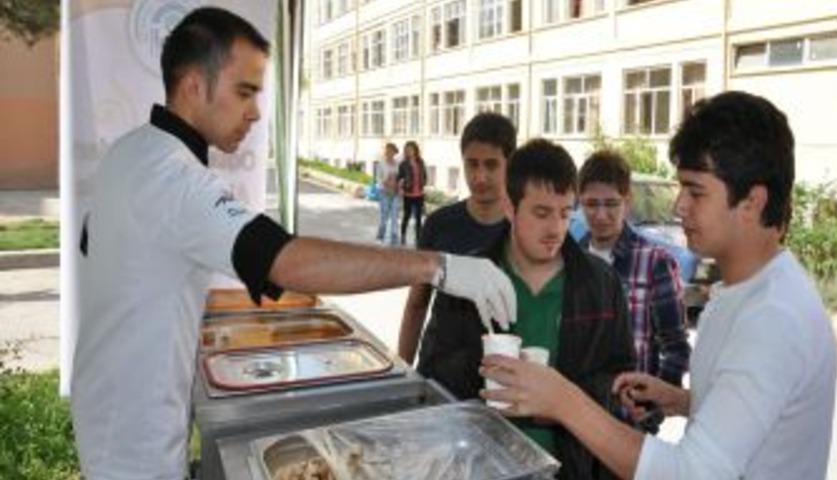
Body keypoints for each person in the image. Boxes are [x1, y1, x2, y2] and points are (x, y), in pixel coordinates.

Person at [71, 8, 516, 480]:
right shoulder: (173, 177)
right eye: (244, 92)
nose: (256, 111)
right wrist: (438, 266)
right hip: (136, 441)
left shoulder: (130, 152)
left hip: (109, 412)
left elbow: (105, 250)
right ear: (194, 86)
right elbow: (288, 262)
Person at [481, 91, 837, 480]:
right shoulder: (740, 292)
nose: (678, 206)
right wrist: (686, 401)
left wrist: (563, 400)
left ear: (752, 201)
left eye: (695, 191)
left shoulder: (773, 318)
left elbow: (691, 472)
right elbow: (757, 417)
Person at [418, 138, 635, 479]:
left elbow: (621, 378)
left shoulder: (601, 284)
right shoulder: (470, 279)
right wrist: (484, 377)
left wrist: (560, 401)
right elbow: (431, 373)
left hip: (571, 468)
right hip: (480, 466)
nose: (556, 229)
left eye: (565, 213)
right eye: (541, 213)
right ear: (509, 206)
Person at [577, 150, 690, 429]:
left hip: (631, 423)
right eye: (592, 204)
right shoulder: (570, 260)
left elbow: (675, 348)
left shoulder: (655, 263)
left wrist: (652, 407)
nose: (601, 215)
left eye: (611, 204)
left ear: (627, 203)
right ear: (579, 202)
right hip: (579, 419)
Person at [398, 112, 516, 364]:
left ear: (510, 163)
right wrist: (403, 370)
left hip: (500, 382)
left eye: (491, 165)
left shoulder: (523, 229)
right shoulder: (439, 224)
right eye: (472, 164)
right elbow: (417, 305)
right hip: (438, 372)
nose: (480, 176)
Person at [397, 140, 427, 246]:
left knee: (419, 218)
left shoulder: (420, 162)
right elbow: (399, 177)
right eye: (407, 150)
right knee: (407, 216)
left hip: (419, 194)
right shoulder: (403, 164)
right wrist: (401, 186)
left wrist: (423, 185)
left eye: (411, 149)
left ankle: (418, 239)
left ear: (415, 150)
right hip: (408, 194)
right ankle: (403, 236)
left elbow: (424, 174)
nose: (409, 151)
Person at [376, 142, 400, 245]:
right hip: (384, 193)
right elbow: (378, 179)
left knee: (395, 216)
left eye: (391, 150)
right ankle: (380, 237)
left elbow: (400, 178)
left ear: (394, 152)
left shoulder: (398, 164)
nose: (389, 152)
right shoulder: (381, 164)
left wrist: (398, 187)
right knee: (384, 216)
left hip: (395, 193)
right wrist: (385, 185)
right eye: (387, 150)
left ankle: (394, 239)